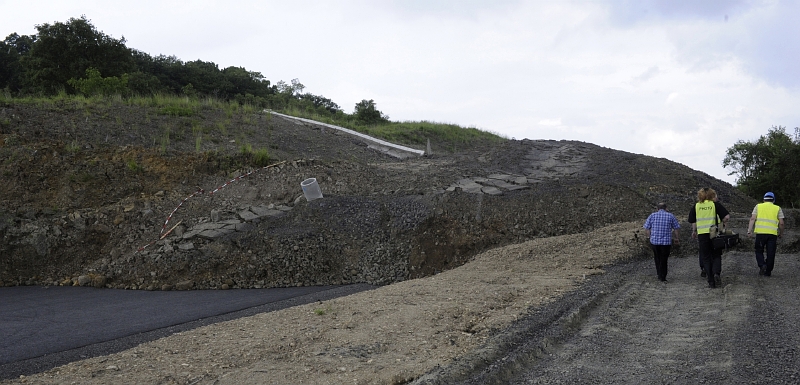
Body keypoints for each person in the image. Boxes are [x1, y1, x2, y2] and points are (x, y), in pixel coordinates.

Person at [688, 188, 730, 288]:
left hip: (702, 234)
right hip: (714, 233)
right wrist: (723, 224)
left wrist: (694, 231)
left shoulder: (696, 206)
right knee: (716, 254)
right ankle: (716, 273)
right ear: (712, 195)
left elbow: (693, 221)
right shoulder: (715, 205)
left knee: (706, 257)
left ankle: (711, 281)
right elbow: (727, 217)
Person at [747, 191, 785, 277]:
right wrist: (781, 233)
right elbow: (781, 223)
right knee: (771, 253)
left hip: (760, 233)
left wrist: (749, 231)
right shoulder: (777, 208)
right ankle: (768, 272)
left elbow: (752, 218)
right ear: (773, 200)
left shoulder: (758, 206)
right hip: (772, 234)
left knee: (759, 251)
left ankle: (762, 265)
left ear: (764, 199)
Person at [643, 202, 681, 282]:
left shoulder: (652, 215)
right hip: (666, 243)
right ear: (666, 208)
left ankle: (659, 274)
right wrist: (676, 238)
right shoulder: (671, 216)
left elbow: (647, 229)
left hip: (654, 242)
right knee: (664, 259)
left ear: (657, 209)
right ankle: (663, 276)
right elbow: (676, 228)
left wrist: (649, 237)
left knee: (657, 257)